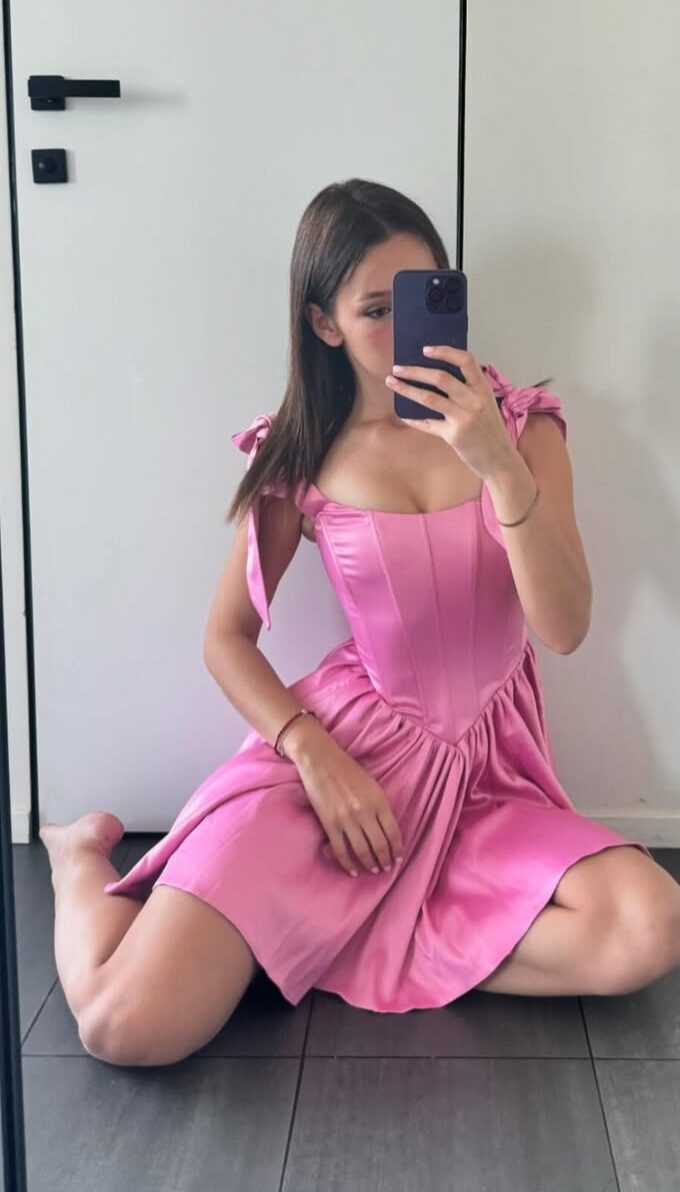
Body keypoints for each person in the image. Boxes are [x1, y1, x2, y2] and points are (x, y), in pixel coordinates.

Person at [40, 179, 680, 1068]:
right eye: (376, 309)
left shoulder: (522, 430)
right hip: (339, 775)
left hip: (485, 782)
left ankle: (326, 933)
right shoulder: (301, 453)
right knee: (123, 1025)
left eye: (421, 298)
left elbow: (564, 627)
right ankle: (77, 857)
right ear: (324, 323)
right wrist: (313, 754)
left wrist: (497, 465)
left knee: (650, 925)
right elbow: (225, 639)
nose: (404, 329)